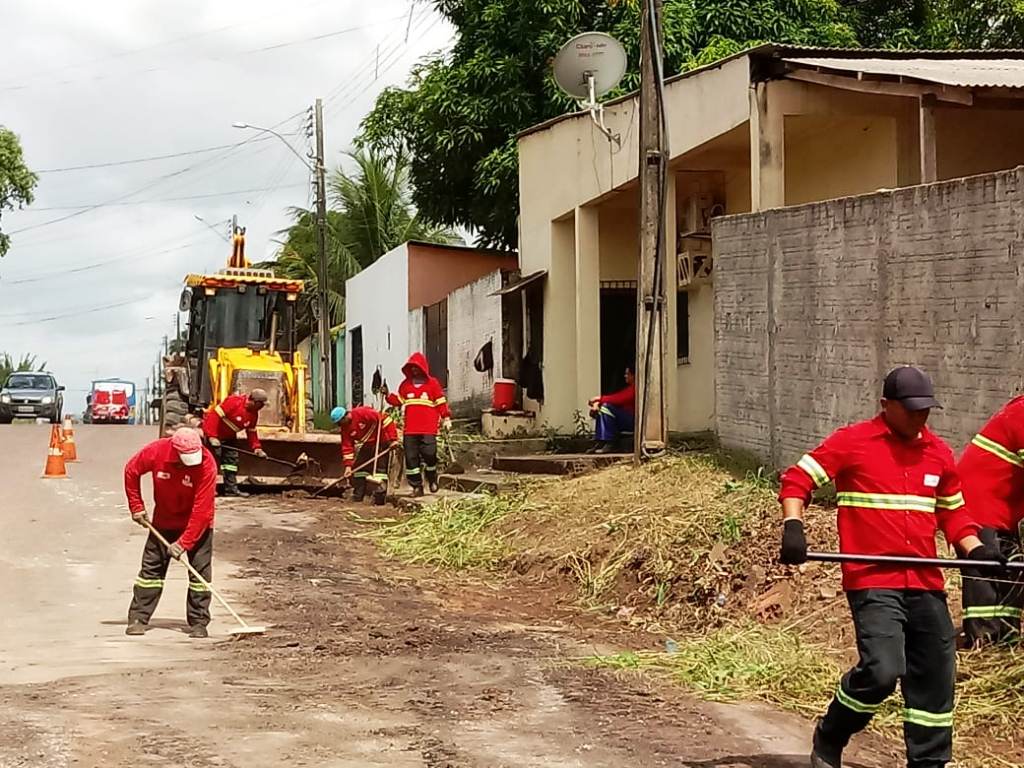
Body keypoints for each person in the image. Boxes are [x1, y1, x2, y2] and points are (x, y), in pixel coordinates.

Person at [778, 366, 1000, 768]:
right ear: (886, 406)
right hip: (872, 580)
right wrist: (794, 526)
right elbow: (798, 479)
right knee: (882, 670)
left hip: (925, 581)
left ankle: (929, 761)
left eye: (926, 409)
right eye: (912, 409)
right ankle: (832, 733)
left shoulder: (938, 453)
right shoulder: (853, 442)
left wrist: (975, 550)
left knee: (936, 671)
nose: (921, 417)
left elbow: (954, 516)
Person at [123, 427, 218, 639]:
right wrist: (136, 506)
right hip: (163, 522)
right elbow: (131, 470)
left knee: (199, 575)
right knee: (150, 573)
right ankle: (138, 617)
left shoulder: (207, 463)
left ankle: (198, 622)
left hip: (198, 525)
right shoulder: (157, 451)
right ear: (175, 450)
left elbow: (202, 511)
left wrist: (184, 543)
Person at [956, 395, 1024, 647]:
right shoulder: (1022, 414)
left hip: (1003, 511)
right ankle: (983, 647)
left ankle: (1007, 643)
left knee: (1011, 581)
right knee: (987, 583)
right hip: (980, 508)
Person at [385, 352, 452, 497]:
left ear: (423, 368)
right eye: (412, 368)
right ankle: (416, 486)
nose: (414, 370)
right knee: (411, 459)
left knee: (430, 455)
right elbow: (398, 400)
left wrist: (446, 418)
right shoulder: (405, 385)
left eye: (416, 367)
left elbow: (441, 402)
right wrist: (387, 395)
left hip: (428, 428)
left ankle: (432, 477)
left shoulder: (432, 383)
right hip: (410, 430)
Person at [200, 388, 268, 497]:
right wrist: (212, 436)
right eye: (262, 404)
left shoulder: (254, 415)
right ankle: (209, 490)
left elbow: (251, 432)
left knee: (231, 463)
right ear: (255, 402)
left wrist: (257, 448)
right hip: (215, 435)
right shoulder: (234, 402)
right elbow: (214, 416)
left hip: (229, 437)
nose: (262, 407)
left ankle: (231, 490)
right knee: (211, 463)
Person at [331, 405, 399, 505]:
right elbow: (347, 447)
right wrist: (348, 466)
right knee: (358, 470)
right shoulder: (345, 429)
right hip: (368, 444)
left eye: (339, 423)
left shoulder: (362, 413)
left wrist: (393, 439)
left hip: (381, 442)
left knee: (380, 471)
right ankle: (358, 496)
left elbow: (386, 420)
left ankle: (380, 498)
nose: (339, 426)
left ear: (344, 417)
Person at [587, 366, 635, 454]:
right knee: (602, 409)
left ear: (634, 376)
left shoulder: (636, 388)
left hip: (632, 421)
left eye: (627, 374)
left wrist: (599, 399)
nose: (625, 376)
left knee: (606, 408)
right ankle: (601, 441)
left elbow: (619, 399)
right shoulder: (630, 388)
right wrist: (598, 404)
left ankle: (610, 442)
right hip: (626, 418)